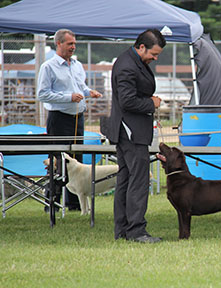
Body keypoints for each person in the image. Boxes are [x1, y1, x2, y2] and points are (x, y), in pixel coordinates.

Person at [108, 29, 165, 243]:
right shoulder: (127, 66)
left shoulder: (132, 61)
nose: (155, 58)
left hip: (130, 131)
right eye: (154, 53)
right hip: (131, 132)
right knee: (139, 181)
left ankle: (123, 229)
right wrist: (152, 103)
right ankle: (136, 231)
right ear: (141, 46)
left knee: (126, 179)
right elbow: (127, 101)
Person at [37, 28, 102, 211]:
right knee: (58, 161)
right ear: (58, 44)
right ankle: (53, 203)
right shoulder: (48, 66)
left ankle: (73, 203)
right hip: (59, 119)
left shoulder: (77, 65)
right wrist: (68, 97)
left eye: (74, 43)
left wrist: (89, 93)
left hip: (77, 119)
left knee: (76, 160)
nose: (73, 47)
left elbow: (80, 88)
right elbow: (42, 94)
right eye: (69, 44)